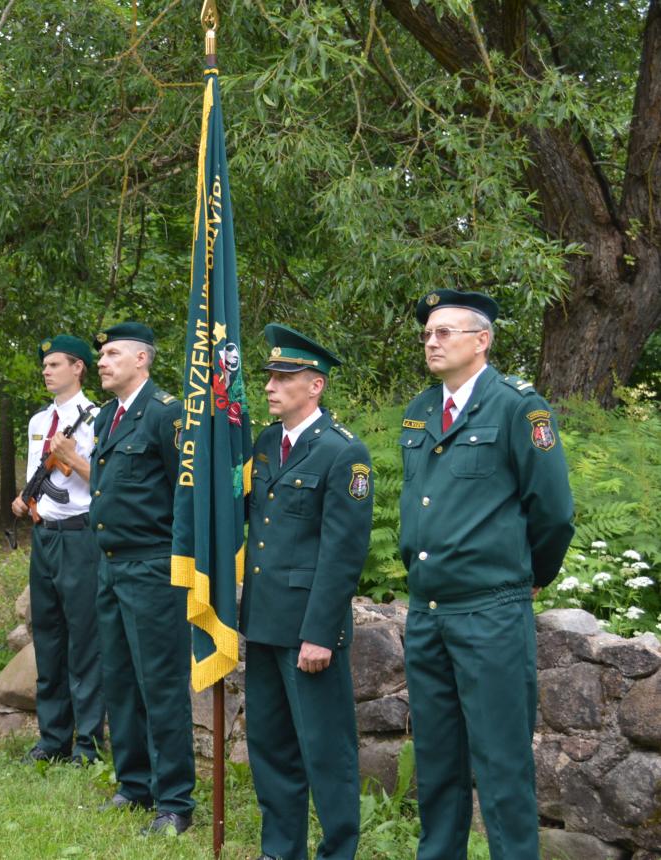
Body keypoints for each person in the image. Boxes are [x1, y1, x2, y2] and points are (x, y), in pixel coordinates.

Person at [399, 289, 574, 860]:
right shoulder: (421, 409)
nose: (431, 340)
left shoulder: (519, 408)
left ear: (483, 340)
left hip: (490, 611)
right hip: (428, 613)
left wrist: (530, 575)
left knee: (501, 765)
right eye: (427, 332)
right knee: (438, 761)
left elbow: (552, 511)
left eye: (445, 331)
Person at [240, 324, 373, 860]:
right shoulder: (267, 442)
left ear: (314, 385)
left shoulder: (345, 453)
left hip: (307, 632)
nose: (271, 386)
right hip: (264, 621)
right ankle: (281, 849)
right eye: (270, 376)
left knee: (325, 751)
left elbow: (342, 555)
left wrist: (319, 633)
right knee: (270, 748)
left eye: (284, 376)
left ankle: (338, 851)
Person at [87, 322, 194, 837]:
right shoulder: (108, 416)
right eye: (101, 354)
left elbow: (186, 493)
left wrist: (179, 562)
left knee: (161, 684)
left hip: (153, 566)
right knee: (120, 680)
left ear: (142, 360)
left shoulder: (166, 414)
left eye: (112, 354)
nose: (102, 362)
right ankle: (134, 786)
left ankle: (174, 801)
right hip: (110, 564)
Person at [10, 334, 104, 764]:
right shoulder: (36, 422)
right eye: (44, 365)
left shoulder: (98, 419)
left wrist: (72, 456)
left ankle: (88, 743)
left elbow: (105, 483)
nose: (46, 371)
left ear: (78, 367)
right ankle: (52, 739)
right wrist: (25, 499)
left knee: (84, 641)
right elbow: (38, 475)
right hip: (44, 536)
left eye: (55, 364)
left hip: (81, 537)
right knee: (48, 639)